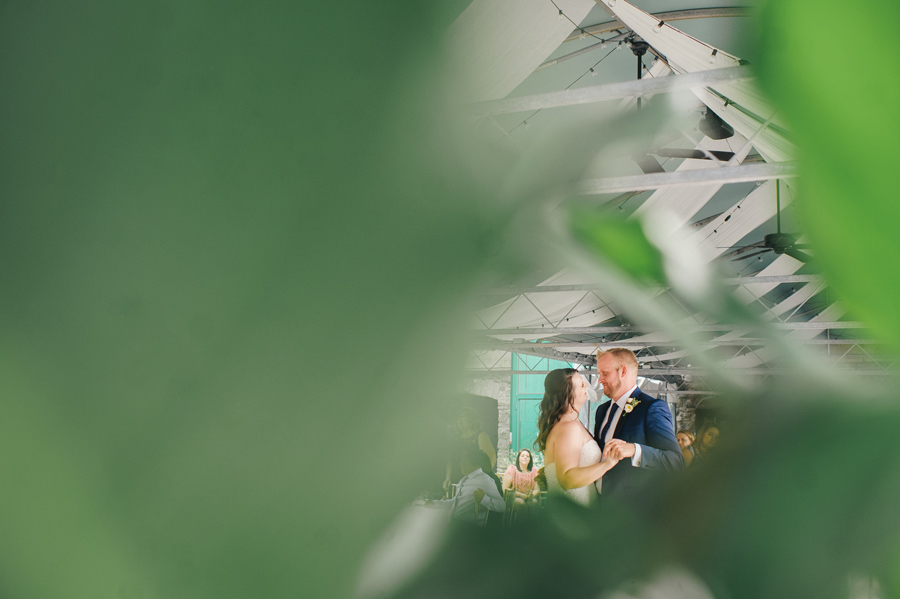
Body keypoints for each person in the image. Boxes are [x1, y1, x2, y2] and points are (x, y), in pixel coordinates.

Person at [593, 349, 684, 501]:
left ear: (623, 371)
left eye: (605, 373)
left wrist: (635, 450)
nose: (599, 380)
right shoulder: (602, 410)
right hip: (599, 506)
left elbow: (675, 462)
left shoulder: (652, 408)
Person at [536, 368, 619, 506]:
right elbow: (567, 480)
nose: (586, 385)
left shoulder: (573, 423)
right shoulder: (569, 428)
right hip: (572, 512)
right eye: (581, 385)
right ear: (568, 394)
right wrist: (608, 464)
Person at [427, 446, 505, 526]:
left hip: (468, 529)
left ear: (472, 463)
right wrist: (434, 503)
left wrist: (484, 499)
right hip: (453, 525)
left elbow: (502, 506)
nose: (460, 463)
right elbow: (455, 503)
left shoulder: (486, 481)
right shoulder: (464, 480)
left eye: (463, 460)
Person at [444, 407, 496, 495]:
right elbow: (450, 460)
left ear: (472, 420)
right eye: (458, 417)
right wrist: (447, 477)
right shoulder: (456, 439)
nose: (459, 420)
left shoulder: (481, 436)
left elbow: (491, 459)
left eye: (463, 417)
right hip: (456, 479)